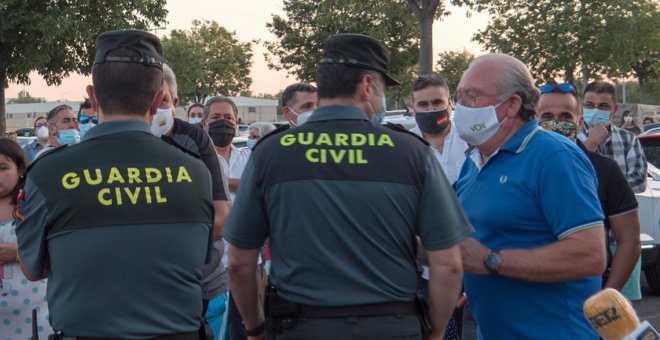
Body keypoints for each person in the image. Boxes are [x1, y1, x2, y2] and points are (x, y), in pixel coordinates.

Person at [225, 33, 472, 340]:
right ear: (367, 86)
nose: (382, 99)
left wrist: (256, 329)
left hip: (301, 328)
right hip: (393, 327)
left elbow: (238, 262)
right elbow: (448, 263)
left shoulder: (271, 153)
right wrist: (435, 332)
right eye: (383, 89)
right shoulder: (412, 152)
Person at [16, 29, 214, 338]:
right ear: (157, 99)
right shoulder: (195, 171)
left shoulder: (47, 174)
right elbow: (193, 260)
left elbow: (31, 269)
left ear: (92, 97)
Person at [455, 54, 606, 339]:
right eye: (459, 96)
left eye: (472, 96)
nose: (461, 107)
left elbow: (591, 255)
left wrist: (491, 261)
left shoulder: (554, 157)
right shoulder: (473, 161)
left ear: (512, 104)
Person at [538, 82, 642, 301]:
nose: (556, 123)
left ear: (579, 122)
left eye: (566, 117)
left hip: (586, 297)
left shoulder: (605, 169)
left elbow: (629, 240)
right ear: (534, 120)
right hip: (530, 298)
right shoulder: (514, 167)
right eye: (547, 115)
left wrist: (606, 297)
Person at [156, 64, 233, 339]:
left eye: (162, 100)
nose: (154, 108)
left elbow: (222, 215)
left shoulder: (194, 139)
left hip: (200, 281)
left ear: (175, 103)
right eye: (147, 100)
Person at [0, 139, 53, 338]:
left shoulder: (32, 206)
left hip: (33, 315)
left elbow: (56, 251)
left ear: (21, 169)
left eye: (3, 168)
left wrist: (18, 254)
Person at [581, 80, 647, 193]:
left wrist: (600, 191)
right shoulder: (571, 137)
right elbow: (567, 177)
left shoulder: (628, 139)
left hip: (617, 210)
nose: (595, 110)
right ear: (583, 106)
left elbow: (639, 180)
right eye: (589, 105)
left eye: (603, 106)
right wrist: (590, 144)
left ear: (614, 109)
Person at [410, 74, 468, 186]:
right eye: (423, 104)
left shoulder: (469, 140)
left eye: (437, 102)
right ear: (413, 109)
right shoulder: (406, 146)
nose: (431, 109)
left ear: (450, 103)